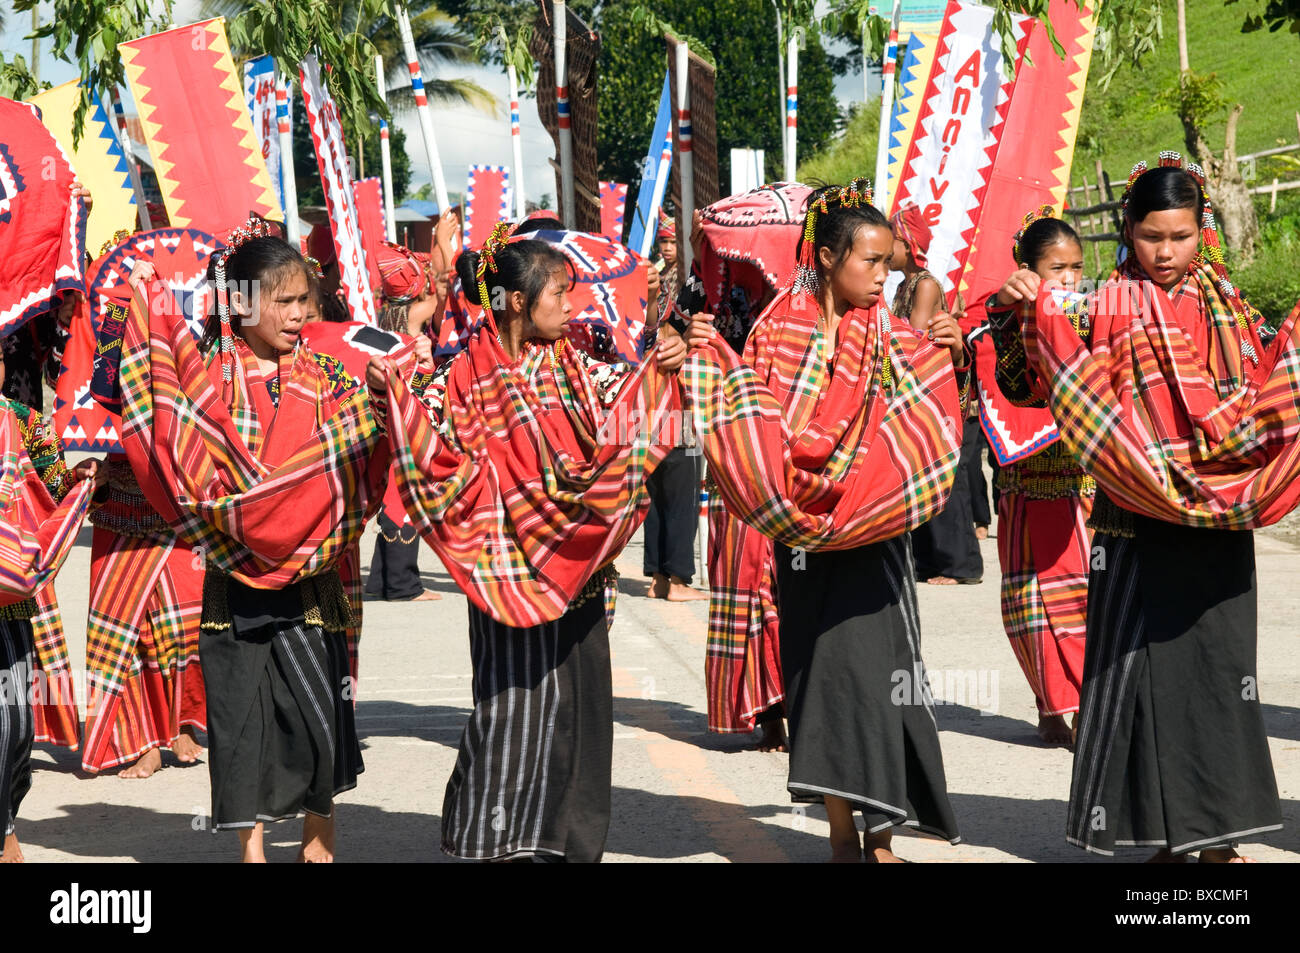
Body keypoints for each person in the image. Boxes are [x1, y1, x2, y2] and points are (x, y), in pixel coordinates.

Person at [1007, 154, 1299, 861]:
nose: (1166, 253)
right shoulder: (1100, 302)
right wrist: (1025, 315)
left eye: (1181, 236)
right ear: (1127, 232)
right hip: (1133, 521)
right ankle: (1163, 835)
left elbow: (1264, 389)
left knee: (1218, 678)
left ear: (1205, 232)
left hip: (1217, 524)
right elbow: (1029, 387)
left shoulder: (1228, 305)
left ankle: (1218, 836)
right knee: (1140, 680)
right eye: (1150, 237)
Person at [376, 224, 700, 861]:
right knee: (511, 712)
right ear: (517, 301)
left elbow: (624, 410)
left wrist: (666, 367)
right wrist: (390, 385)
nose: (570, 305)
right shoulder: (463, 375)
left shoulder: (575, 361)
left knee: (579, 712)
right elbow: (428, 447)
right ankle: (489, 840)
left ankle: (566, 846)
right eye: (558, 293)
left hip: (575, 566)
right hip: (503, 570)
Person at [680, 180, 967, 862]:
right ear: (828, 257)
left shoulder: (894, 335)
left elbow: (920, 419)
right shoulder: (780, 329)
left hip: (876, 539)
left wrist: (949, 353)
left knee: (884, 679)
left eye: (885, 262)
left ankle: (883, 836)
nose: (880, 275)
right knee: (823, 683)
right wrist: (703, 356)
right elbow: (759, 418)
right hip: (805, 542)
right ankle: (844, 835)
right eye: (868, 262)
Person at [119, 218, 392, 862]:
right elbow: (170, 440)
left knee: (318, 712)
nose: (299, 315)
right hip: (233, 578)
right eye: (285, 301)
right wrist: (146, 305)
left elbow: (363, 457)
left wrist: (387, 406)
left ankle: (319, 835)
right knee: (242, 721)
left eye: (306, 301)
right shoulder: (207, 380)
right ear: (240, 302)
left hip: (316, 575)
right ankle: (252, 848)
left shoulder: (331, 376)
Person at [982, 208, 1094, 746]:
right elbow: (995, 381)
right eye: (1057, 268)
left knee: (1078, 594)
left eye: (1076, 266)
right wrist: (1004, 308)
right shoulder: (1001, 317)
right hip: (1025, 480)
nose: (1070, 278)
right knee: (1028, 601)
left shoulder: (1095, 313)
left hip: (1082, 481)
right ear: (1028, 268)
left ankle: (1083, 705)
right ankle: (1051, 704)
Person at [0, 377, 101, 863]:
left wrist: (82, 483)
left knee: (16, 728)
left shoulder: (25, 422)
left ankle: (6, 815)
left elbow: (54, 489)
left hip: (9, 599)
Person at [890, 204, 982, 585]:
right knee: (923, 474)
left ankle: (961, 565)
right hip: (918, 388)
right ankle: (930, 562)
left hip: (935, 388)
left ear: (907, 244)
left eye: (890, 242)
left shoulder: (925, 285)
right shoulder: (902, 285)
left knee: (950, 477)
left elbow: (912, 337)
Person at [367, 241, 444, 603]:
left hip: (383, 435)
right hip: (399, 436)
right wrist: (426, 366)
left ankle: (381, 579)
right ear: (418, 302)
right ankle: (402, 584)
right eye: (433, 294)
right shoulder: (404, 346)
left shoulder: (389, 339)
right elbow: (414, 401)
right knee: (401, 497)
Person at [643, 210, 706, 601]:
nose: (668, 247)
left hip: (651, 402)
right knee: (680, 488)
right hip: (673, 397)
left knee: (657, 490)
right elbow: (664, 334)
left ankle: (660, 578)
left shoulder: (665, 283)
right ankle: (677, 579)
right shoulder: (687, 288)